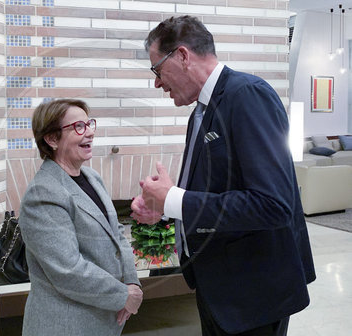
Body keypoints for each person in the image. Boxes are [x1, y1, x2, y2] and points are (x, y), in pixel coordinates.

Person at [131, 15, 316, 336]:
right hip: (219, 288)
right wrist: (164, 208)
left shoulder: (247, 95)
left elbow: (272, 204)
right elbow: (215, 194)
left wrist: (175, 200)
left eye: (157, 70)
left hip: (252, 297)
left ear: (183, 56)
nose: (157, 83)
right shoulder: (200, 113)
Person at [19, 99, 143, 336]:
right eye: (78, 127)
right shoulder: (43, 193)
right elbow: (68, 269)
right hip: (66, 325)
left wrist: (132, 283)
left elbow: (117, 234)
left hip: (103, 321)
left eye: (89, 124)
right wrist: (122, 296)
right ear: (52, 139)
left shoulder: (92, 177)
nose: (89, 133)